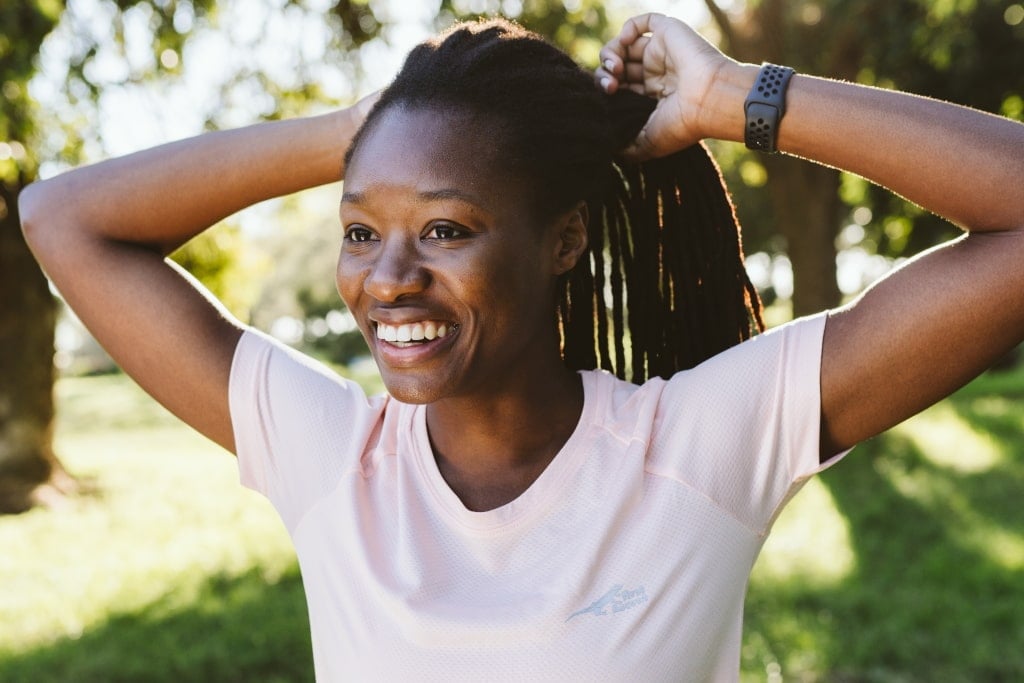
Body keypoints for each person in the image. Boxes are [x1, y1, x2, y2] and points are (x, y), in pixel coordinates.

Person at [19, 11, 1024, 681]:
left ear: (563, 241)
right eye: (362, 229)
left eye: (446, 229)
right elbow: (62, 216)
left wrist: (731, 100)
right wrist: (368, 132)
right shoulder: (331, 457)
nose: (386, 278)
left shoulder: (698, 443)